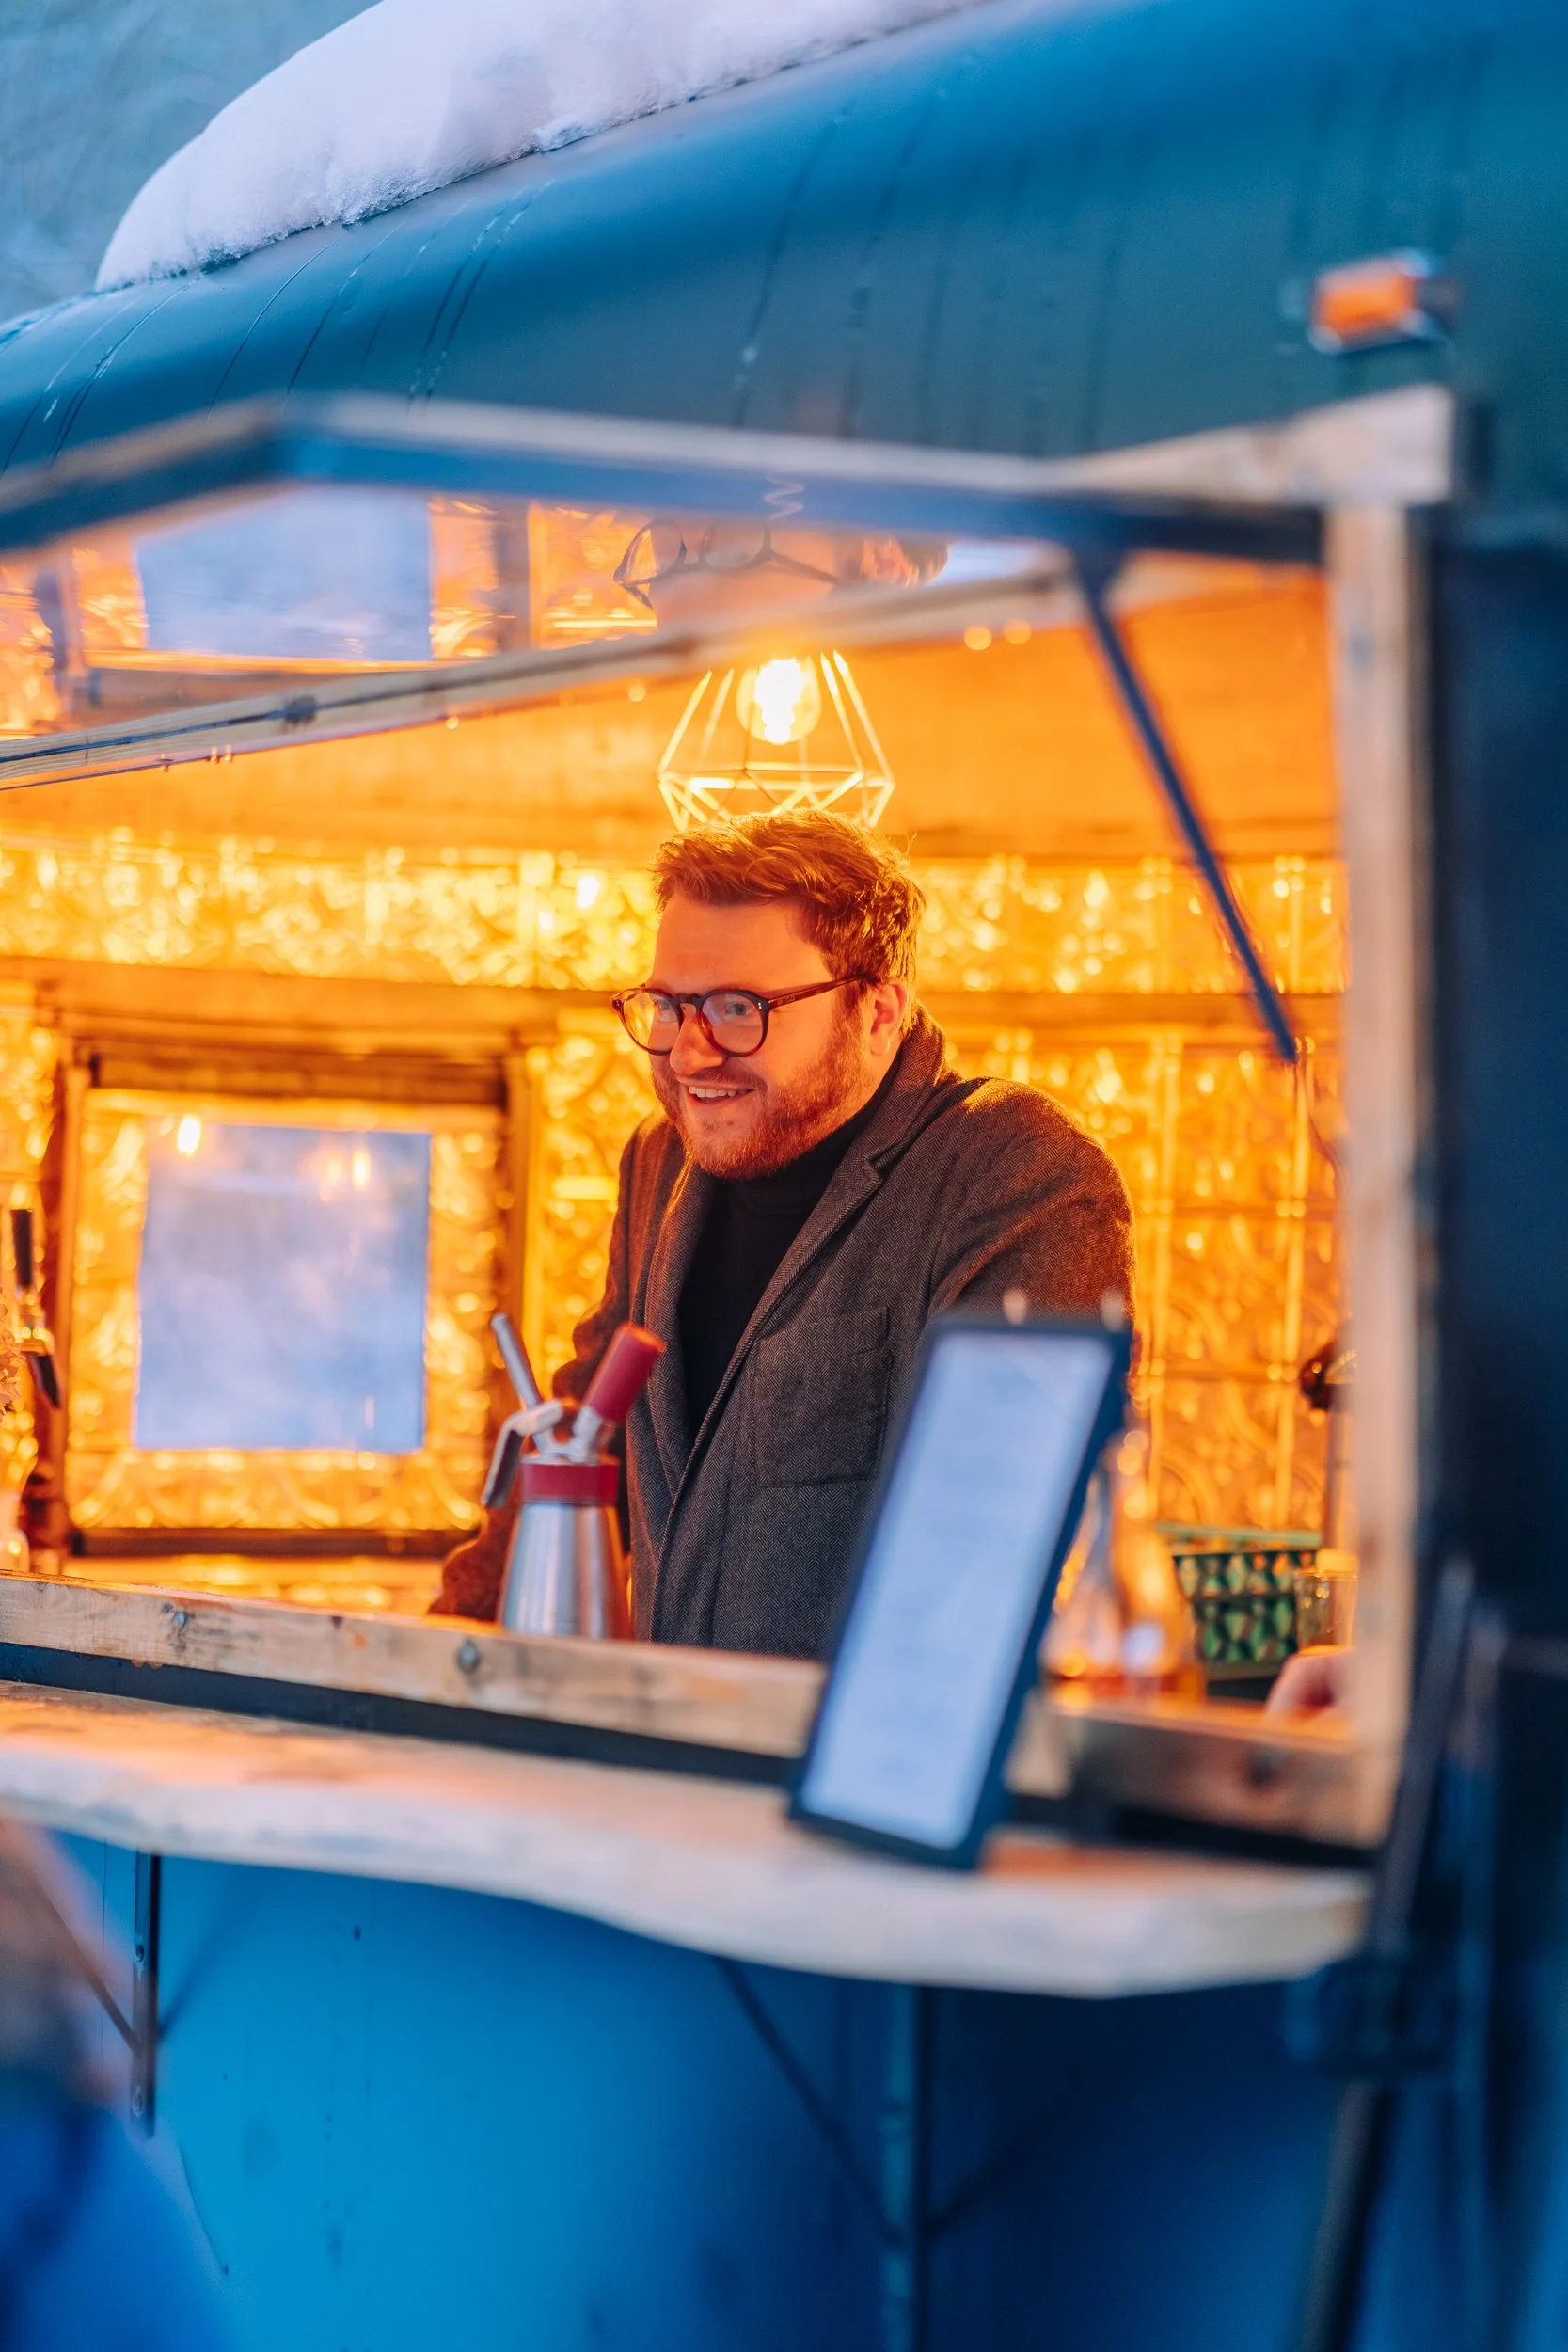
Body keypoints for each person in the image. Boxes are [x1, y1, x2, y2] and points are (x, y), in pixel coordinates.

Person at [436, 812, 1134, 1659]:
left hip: (852, 1771)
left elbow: (993, 1539)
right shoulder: (659, 1160)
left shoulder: (1014, 1172)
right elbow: (591, 1424)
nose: (690, 1055)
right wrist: (443, 1651)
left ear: (877, 1013)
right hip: (670, 1755)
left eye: (739, 1009)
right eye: (668, 1006)